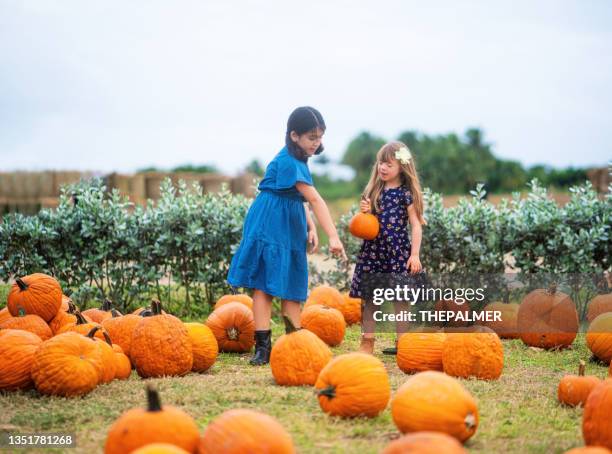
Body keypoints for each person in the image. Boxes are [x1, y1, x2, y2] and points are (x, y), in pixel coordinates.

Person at [227, 106, 347, 365]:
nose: (317, 143)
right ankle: (263, 346)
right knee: (265, 283)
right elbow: (314, 198)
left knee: (292, 281)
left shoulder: (300, 159)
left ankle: (294, 340)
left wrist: (311, 226)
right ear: (294, 135)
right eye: (311, 138)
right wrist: (333, 237)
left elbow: (300, 198)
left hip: (290, 218)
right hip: (270, 221)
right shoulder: (288, 162)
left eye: (320, 137)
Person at [349, 141, 426, 354]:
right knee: (370, 298)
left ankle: (403, 343)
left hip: (398, 252)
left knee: (401, 299)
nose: (382, 168)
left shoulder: (406, 193)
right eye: (380, 163)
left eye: (388, 164)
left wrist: (415, 255)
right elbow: (366, 224)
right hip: (374, 252)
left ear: (402, 167)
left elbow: (416, 225)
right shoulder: (375, 190)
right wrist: (365, 210)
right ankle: (368, 341)